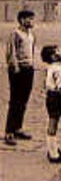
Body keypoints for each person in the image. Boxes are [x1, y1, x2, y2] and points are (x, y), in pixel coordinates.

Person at [5, 10, 36, 146]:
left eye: (32, 19)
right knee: (15, 101)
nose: (31, 22)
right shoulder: (15, 34)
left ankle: (18, 128)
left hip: (29, 68)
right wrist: (15, 67)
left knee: (23, 100)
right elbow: (11, 52)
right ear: (22, 20)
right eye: (28, 19)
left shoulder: (31, 35)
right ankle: (9, 131)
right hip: (18, 69)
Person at [41, 45, 61, 163]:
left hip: (51, 96)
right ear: (53, 57)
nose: (60, 53)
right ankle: (53, 153)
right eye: (57, 52)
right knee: (53, 123)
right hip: (56, 97)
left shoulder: (54, 67)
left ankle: (52, 148)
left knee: (54, 121)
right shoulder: (58, 70)